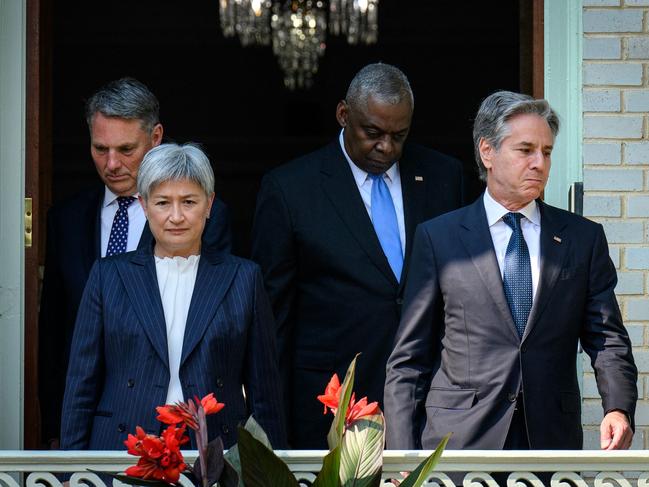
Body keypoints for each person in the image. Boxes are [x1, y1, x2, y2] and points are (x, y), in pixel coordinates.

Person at [384, 90, 637, 453]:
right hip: (458, 444)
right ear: (488, 152)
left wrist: (617, 407)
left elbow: (606, 336)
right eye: (525, 150)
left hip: (549, 443)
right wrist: (401, 457)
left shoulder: (582, 238)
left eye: (546, 152)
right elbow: (409, 360)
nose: (539, 163)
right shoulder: (439, 238)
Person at [251, 63, 464, 448]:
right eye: (373, 133)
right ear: (343, 115)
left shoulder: (444, 177)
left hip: (428, 401)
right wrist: (273, 427)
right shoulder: (290, 189)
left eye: (399, 135)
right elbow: (274, 320)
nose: (387, 147)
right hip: (328, 405)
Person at [38, 78, 232, 447]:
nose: (112, 164)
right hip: (94, 423)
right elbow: (54, 335)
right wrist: (57, 434)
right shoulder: (65, 218)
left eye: (126, 149)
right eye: (100, 148)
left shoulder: (204, 217)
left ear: (156, 137)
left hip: (175, 422)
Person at [60, 143, 286, 450]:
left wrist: (269, 473)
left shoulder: (243, 278)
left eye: (189, 201)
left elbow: (265, 392)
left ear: (209, 205)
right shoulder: (108, 276)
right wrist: (70, 470)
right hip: (122, 447)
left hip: (216, 449)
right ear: (144, 204)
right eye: (163, 202)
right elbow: (80, 384)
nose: (176, 216)